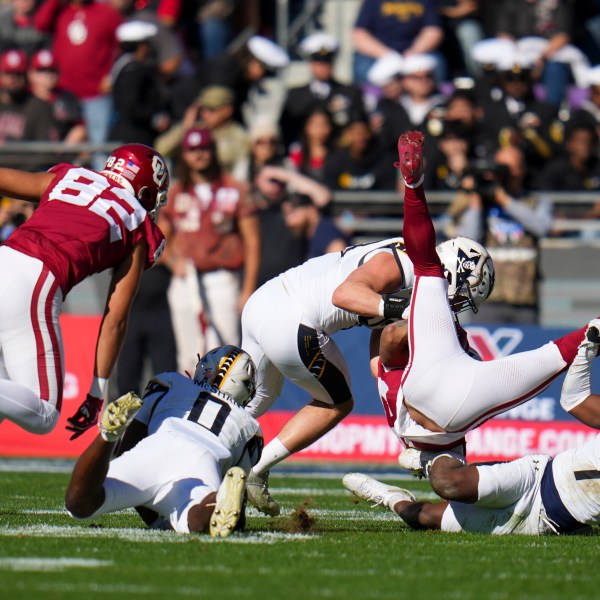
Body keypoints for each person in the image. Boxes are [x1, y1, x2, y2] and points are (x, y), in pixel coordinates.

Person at [241, 146, 491, 516]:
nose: (455, 306)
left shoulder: (413, 274)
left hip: (263, 304)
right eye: (461, 296)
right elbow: (347, 294)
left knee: (252, 404)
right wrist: (408, 310)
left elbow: (381, 364)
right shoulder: (406, 266)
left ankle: (206, 467)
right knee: (337, 403)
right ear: (454, 274)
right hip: (292, 318)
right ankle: (255, 471)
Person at [370, 131, 597, 473]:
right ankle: (433, 448)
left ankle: (418, 444)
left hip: (426, 386)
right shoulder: (444, 308)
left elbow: (422, 246)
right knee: (567, 347)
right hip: (466, 391)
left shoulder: (431, 284)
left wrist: (413, 188)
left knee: (387, 344)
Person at [345, 320, 600, 535]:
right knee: (449, 484)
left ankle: (390, 497)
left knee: (422, 518)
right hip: (539, 479)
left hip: (548, 523)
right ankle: (435, 458)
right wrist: (587, 349)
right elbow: (574, 401)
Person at [0, 143, 169, 438]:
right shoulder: (137, 222)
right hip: (36, 279)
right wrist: (96, 394)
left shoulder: (69, 176)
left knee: (7, 397)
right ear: (145, 192)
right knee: (43, 412)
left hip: (5, 257)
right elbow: (115, 319)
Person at [65, 345, 262, 537]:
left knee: (79, 503)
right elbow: (238, 515)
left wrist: (153, 518)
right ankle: (215, 500)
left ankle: (107, 435)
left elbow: (128, 446)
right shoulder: (250, 427)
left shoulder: (170, 382)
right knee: (197, 519)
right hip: (201, 461)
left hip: (156, 447)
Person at [165, 127, 259, 370]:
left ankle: (224, 406)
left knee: (224, 351)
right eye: (193, 150)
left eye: (204, 148)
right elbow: (160, 237)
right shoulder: (176, 192)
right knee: (188, 354)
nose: (199, 155)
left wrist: (248, 287)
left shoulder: (235, 189)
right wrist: (171, 260)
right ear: (184, 154)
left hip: (222, 277)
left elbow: (252, 240)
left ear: (213, 151)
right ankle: (189, 406)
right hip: (187, 279)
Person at [446, 144, 553, 324]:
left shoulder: (535, 202)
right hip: (487, 299)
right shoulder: (480, 202)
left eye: (510, 167)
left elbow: (541, 227)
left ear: (522, 170)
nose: (506, 173)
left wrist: (504, 200)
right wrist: (476, 201)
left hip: (525, 299)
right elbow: (467, 240)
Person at [279, 32, 366, 149]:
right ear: (311, 63)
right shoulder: (295, 95)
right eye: (319, 62)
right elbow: (287, 131)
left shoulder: (351, 93)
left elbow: (359, 127)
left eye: (328, 61)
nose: (324, 67)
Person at [352, 0, 445, 84]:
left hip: (415, 52)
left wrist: (413, 52)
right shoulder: (373, 2)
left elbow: (433, 31)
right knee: (363, 67)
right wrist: (387, 55)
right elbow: (360, 33)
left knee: (437, 63)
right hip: (380, 54)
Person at [109, 20, 170, 146]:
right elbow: (131, 106)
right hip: (134, 137)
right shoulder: (133, 71)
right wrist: (155, 118)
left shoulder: (122, 66)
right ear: (141, 46)